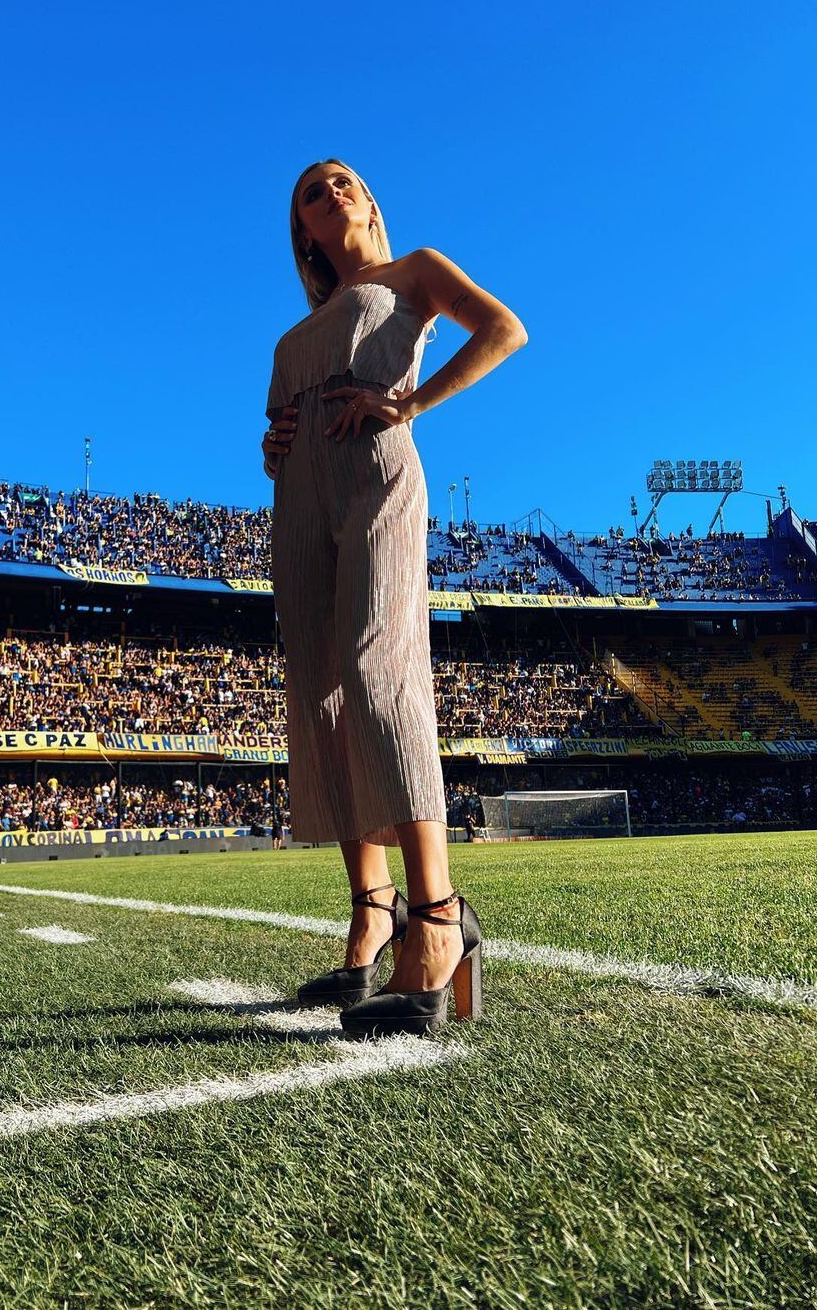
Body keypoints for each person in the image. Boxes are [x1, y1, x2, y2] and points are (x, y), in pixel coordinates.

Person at [262, 159, 526, 1036]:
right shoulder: (290, 340)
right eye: (310, 191)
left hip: (378, 475)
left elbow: (502, 329)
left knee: (381, 670)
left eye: (342, 180)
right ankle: (370, 909)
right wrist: (278, 440)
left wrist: (408, 401)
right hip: (298, 502)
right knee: (322, 696)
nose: (329, 191)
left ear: (368, 202)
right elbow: (274, 437)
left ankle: (439, 913)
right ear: (303, 231)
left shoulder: (411, 271)